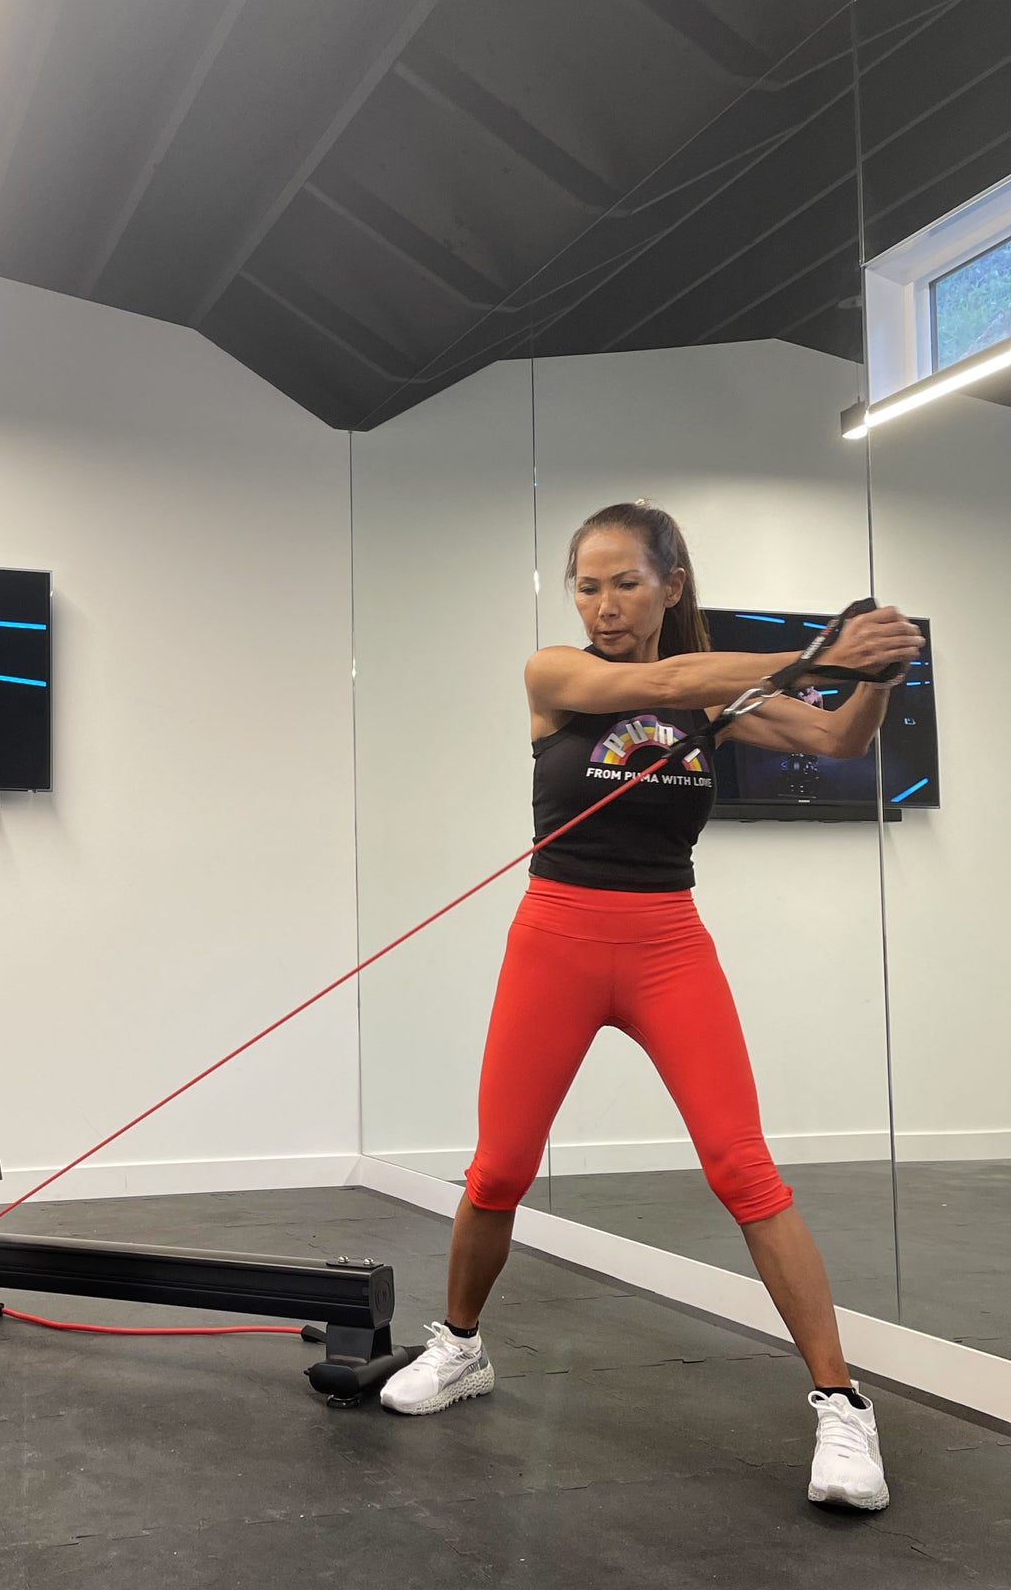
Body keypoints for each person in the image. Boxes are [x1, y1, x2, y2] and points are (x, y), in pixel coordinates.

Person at [379, 501, 924, 1514]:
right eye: (586, 583)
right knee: (499, 1164)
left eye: (624, 582)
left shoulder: (724, 697)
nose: (602, 602)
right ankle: (458, 1346)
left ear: (671, 584)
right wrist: (818, 648)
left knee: (741, 1165)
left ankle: (842, 1404)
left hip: (667, 942)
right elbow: (667, 680)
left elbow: (840, 737)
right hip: (555, 938)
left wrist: (877, 673)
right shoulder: (555, 674)